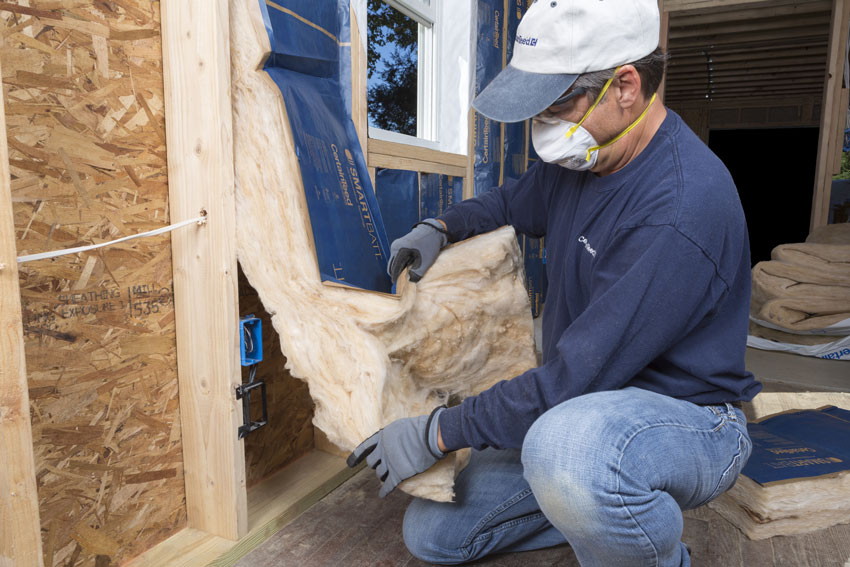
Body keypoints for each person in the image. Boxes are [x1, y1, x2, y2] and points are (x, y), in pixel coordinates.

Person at [348, 1, 762, 565]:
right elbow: (511, 201)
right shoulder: (586, 162)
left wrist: (436, 433)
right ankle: (601, 509)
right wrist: (439, 227)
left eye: (558, 104)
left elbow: (572, 378)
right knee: (436, 535)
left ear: (626, 85)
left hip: (691, 418)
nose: (544, 125)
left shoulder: (680, 208)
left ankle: (652, 545)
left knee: (565, 450)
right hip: (586, 409)